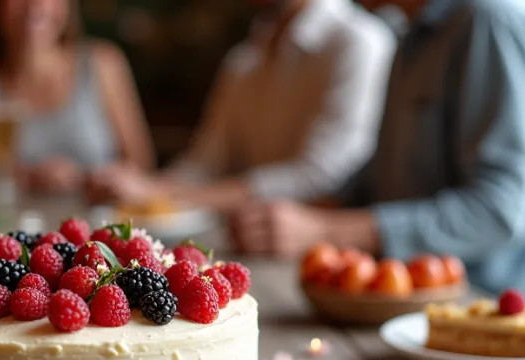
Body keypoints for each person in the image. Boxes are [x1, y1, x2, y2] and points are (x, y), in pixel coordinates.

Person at [231, 0, 525, 293]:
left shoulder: (489, 20)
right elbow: (384, 173)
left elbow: (500, 211)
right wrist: (306, 213)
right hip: (400, 298)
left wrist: (325, 231)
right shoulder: (403, 32)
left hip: (481, 308)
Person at [88, 0, 395, 210]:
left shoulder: (360, 42)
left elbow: (322, 178)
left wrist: (163, 194)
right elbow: (205, 163)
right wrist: (140, 188)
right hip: (247, 250)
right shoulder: (246, 60)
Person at [0, 0, 155, 196]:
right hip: (14, 228)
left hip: (99, 226)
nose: (35, 5)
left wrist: (90, 178)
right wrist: (23, 178)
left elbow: (142, 167)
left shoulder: (103, 63)